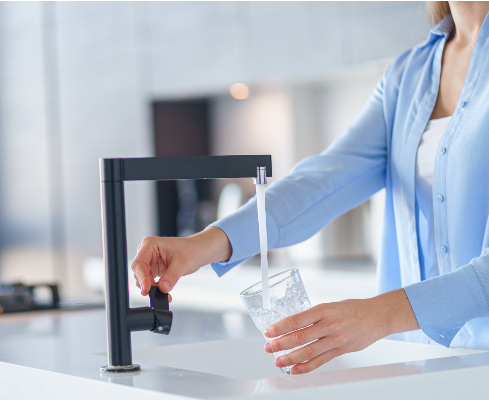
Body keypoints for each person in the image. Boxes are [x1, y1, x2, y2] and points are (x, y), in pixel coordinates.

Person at [131, 1, 489, 375]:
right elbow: (323, 180)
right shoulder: (408, 75)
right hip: (416, 360)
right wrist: (201, 245)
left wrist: (379, 315)